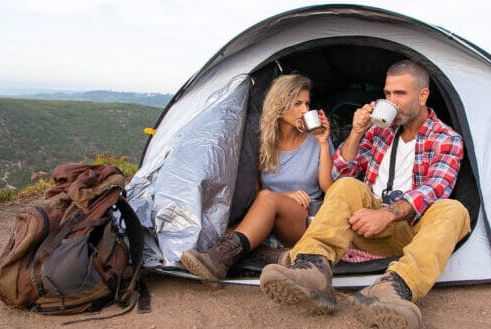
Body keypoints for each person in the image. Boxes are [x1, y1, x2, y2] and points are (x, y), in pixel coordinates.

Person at [259, 60, 470, 329]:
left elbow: (434, 189)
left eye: (400, 94)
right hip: (367, 226)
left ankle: (393, 289)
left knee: (453, 210)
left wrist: (385, 214)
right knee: (347, 186)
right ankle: (312, 271)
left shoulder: (446, 139)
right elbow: (338, 174)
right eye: (387, 94)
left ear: (423, 95)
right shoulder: (380, 130)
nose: (391, 101)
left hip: (414, 230)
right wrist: (357, 131)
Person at [180, 74, 334, 282]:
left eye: (307, 103)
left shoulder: (316, 140)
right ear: (279, 105)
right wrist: (285, 196)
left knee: (267, 198)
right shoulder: (261, 142)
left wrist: (324, 143)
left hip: (305, 219)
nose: (305, 110)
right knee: (224, 226)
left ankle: (218, 259)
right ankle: (272, 256)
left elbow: (328, 187)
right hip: (269, 216)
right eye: (297, 104)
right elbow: (254, 194)